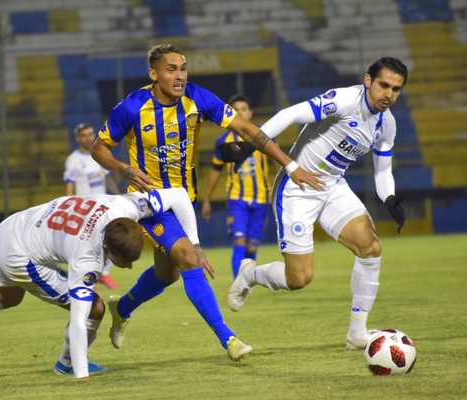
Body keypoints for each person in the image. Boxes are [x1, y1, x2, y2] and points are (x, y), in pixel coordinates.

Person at [91, 43, 322, 360]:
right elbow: (99, 148)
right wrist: (123, 168)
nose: (180, 75)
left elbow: (247, 130)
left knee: (166, 274)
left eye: (183, 68)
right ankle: (229, 339)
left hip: (185, 199)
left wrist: (290, 164)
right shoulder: (132, 107)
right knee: (189, 257)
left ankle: (123, 306)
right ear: (153, 73)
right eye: (171, 69)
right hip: (149, 201)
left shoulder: (198, 99)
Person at [0, 187, 200, 379]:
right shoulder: (86, 259)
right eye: (128, 261)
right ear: (107, 250)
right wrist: (82, 377)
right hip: (20, 254)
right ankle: (68, 364)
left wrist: (194, 244)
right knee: (95, 308)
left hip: (11, 227)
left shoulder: (123, 207)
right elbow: (78, 319)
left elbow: (177, 195)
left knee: (7, 296)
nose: (131, 266)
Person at [227, 57, 408, 350]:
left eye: (396, 89)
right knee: (299, 279)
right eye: (384, 85)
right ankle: (250, 273)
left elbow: (383, 168)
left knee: (370, 248)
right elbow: (290, 114)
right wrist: (251, 144)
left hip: (333, 186)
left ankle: (356, 333)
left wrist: (390, 199)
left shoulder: (386, 124)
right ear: (368, 81)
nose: (388, 94)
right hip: (297, 187)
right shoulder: (345, 100)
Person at [202, 95, 272, 279]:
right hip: (236, 199)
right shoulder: (224, 141)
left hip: (263, 198)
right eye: (236, 109)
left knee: (252, 246)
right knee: (239, 240)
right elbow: (216, 169)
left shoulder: (264, 136)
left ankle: (246, 281)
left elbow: (276, 164)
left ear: (250, 113)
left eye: (244, 109)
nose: (240, 112)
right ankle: (237, 283)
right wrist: (207, 199)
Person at [63, 122, 120, 289]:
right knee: (85, 244)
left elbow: (107, 179)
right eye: (84, 135)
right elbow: (70, 184)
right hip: (84, 209)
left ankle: (105, 273)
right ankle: (86, 276)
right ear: (78, 138)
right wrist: (68, 207)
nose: (88, 138)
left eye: (90, 134)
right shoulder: (73, 160)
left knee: (111, 238)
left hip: (103, 206)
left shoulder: (99, 154)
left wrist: (118, 196)